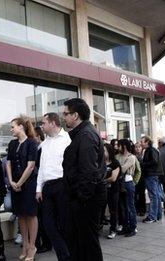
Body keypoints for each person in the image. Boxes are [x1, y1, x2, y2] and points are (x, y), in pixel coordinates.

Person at [62, 98, 106, 261]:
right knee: (80, 242)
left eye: (66, 114)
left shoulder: (86, 135)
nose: (64, 117)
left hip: (86, 200)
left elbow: (88, 173)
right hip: (82, 199)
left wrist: (81, 198)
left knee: (88, 243)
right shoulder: (82, 134)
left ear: (76, 115)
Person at [35, 113, 71, 260]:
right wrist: (38, 188)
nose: (41, 126)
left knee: (64, 223)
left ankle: (66, 256)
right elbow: (41, 167)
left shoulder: (68, 139)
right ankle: (65, 254)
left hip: (63, 184)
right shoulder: (44, 144)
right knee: (47, 224)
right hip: (47, 187)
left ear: (53, 123)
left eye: (44, 123)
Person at [6, 117, 39, 261]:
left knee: (31, 214)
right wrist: (12, 181)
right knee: (21, 214)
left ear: (21, 127)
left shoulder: (32, 142)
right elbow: (8, 163)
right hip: (15, 184)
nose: (11, 129)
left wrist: (19, 183)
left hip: (29, 184)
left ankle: (32, 246)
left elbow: (31, 166)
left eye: (13, 126)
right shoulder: (12, 143)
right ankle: (25, 245)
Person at [33, 126, 52, 254]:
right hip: (41, 187)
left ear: (38, 137)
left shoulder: (42, 149)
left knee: (43, 217)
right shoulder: (40, 148)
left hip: (44, 187)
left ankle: (46, 243)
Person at [115, 139, 138, 237]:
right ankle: (125, 227)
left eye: (119, 145)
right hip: (119, 183)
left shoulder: (131, 157)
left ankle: (132, 227)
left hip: (128, 183)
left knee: (130, 206)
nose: (117, 147)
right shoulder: (117, 156)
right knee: (122, 207)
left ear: (124, 146)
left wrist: (117, 167)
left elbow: (123, 169)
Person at [140, 136, 163, 223]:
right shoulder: (150, 150)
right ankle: (157, 215)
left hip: (151, 175)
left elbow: (154, 161)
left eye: (142, 141)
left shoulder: (150, 150)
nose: (141, 143)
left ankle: (152, 216)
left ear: (147, 142)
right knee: (156, 195)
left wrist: (143, 164)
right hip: (153, 175)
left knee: (153, 196)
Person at [103, 143, 121, 239]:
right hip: (102, 191)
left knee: (113, 210)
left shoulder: (115, 163)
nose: (102, 152)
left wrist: (102, 180)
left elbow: (113, 178)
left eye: (104, 150)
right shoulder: (100, 163)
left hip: (113, 190)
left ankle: (113, 229)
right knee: (101, 210)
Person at [134, 142, 146, 216]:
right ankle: (136, 209)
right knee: (135, 195)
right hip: (135, 178)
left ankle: (142, 210)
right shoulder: (133, 156)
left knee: (142, 194)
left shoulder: (144, 156)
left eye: (139, 147)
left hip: (142, 178)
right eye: (136, 147)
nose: (138, 149)